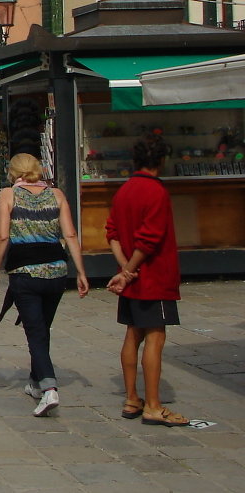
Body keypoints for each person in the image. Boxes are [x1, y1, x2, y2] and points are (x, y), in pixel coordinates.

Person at [0, 153, 89, 416]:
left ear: (13, 172)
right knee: (42, 327)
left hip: (25, 271)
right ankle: (35, 381)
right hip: (56, 270)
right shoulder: (56, 195)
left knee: (35, 331)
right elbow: (69, 234)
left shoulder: (8, 195)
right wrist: (80, 271)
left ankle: (48, 387)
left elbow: (2, 235)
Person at [106, 136, 187, 427]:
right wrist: (130, 270)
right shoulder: (157, 192)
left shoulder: (124, 190)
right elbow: (149, 240)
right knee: (155, 336)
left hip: (131, 279)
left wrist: (123, 270)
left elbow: (112, 232)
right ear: (161, 161)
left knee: (132, 333)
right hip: (153, 276)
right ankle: (153, 404)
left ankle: (131, 398)